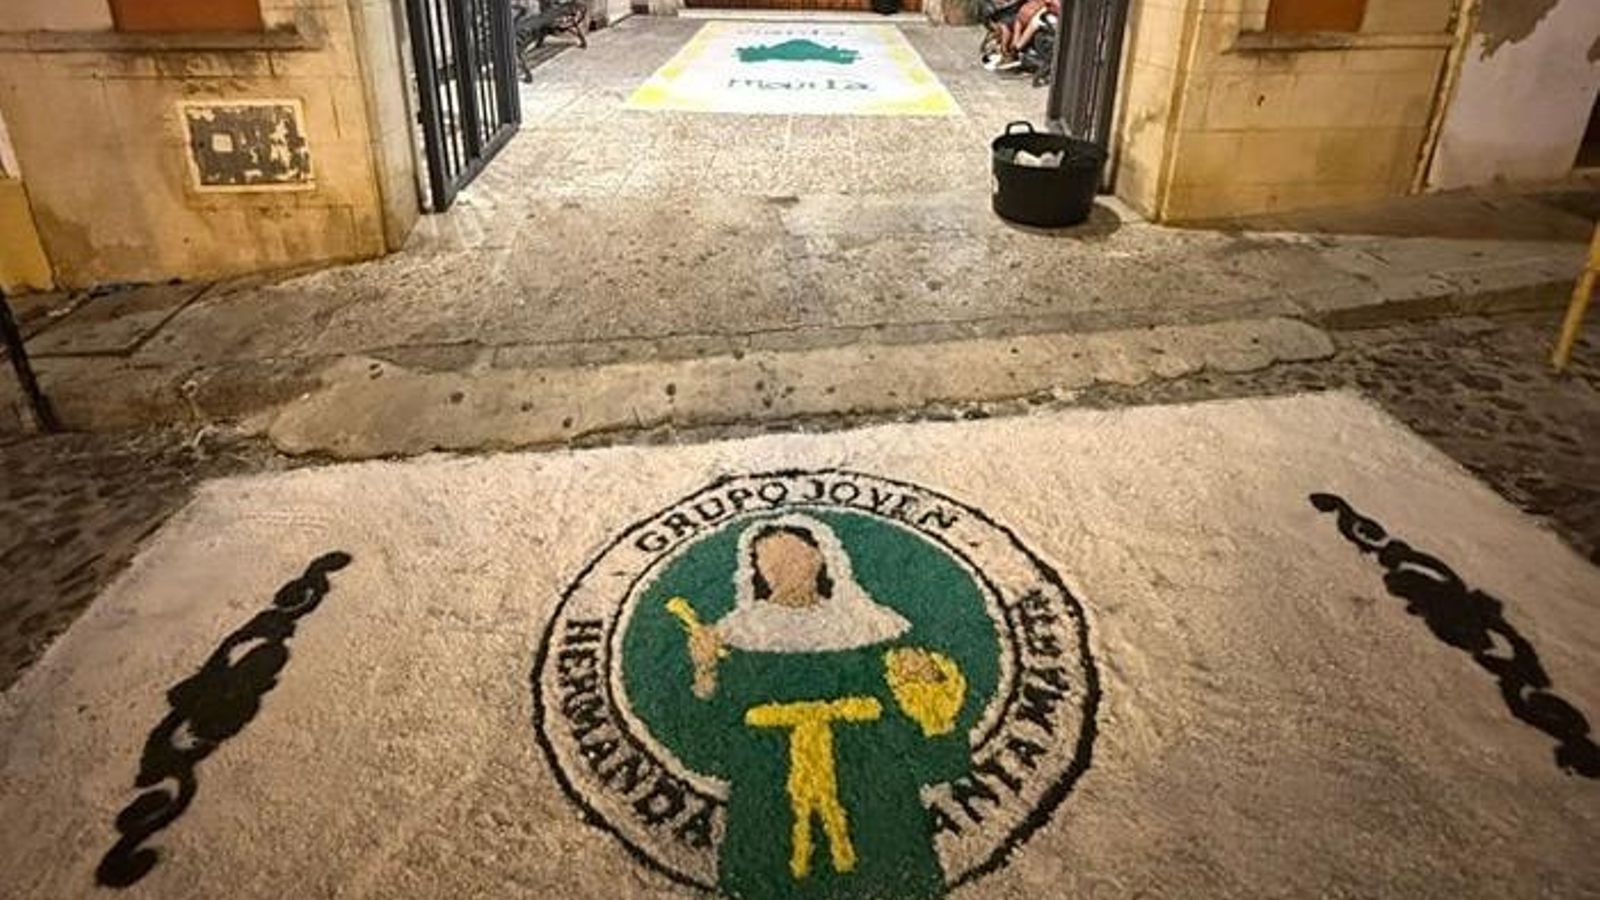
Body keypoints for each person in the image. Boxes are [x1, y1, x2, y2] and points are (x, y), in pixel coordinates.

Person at [659, 516, 971, 900]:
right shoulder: (733, 634)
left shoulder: (873, 626)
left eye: (793, 556)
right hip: (769, 780)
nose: (782, 569)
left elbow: (928, 733)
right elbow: (705, 742)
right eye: (770, 562)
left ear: (820, 558)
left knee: (891, 868)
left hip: (871, 776)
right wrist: (705, 669)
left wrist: (927, 685)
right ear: (756, 571)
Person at [987, 0, 1059, 71]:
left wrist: (1041, 11)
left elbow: (1050, 4)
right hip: (1023, 17)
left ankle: (1012, 51)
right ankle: (1010, 52)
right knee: (1016, 28)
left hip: (1035, 16)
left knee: (1023, 30)